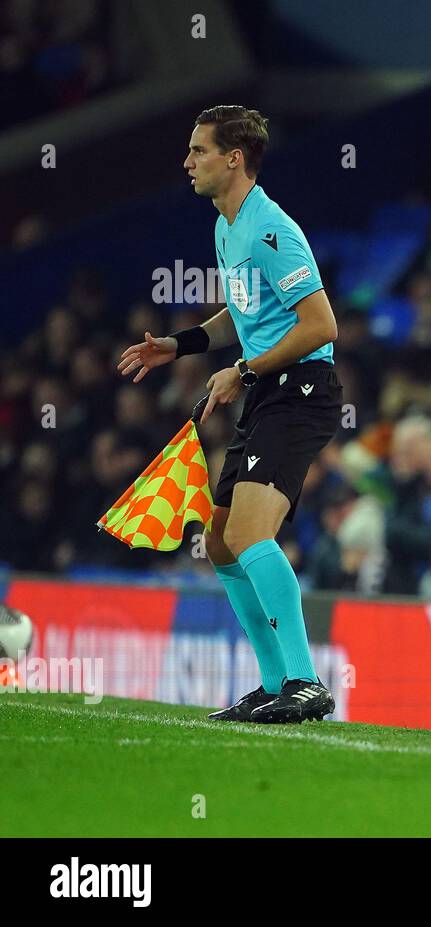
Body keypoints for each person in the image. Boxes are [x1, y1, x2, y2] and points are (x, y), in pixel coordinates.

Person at [118, 106, 341, 723]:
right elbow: (243, 313)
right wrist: (180, 345)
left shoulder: (271, 229)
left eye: (198, 151)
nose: (187, 163)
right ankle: (276, 683)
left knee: (247, 534)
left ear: (232, 159)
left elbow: (321, 324)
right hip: (268, 390)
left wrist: (241, 371)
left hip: (301, 389)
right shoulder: (226, 225)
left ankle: (304, 680)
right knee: (218, 541)